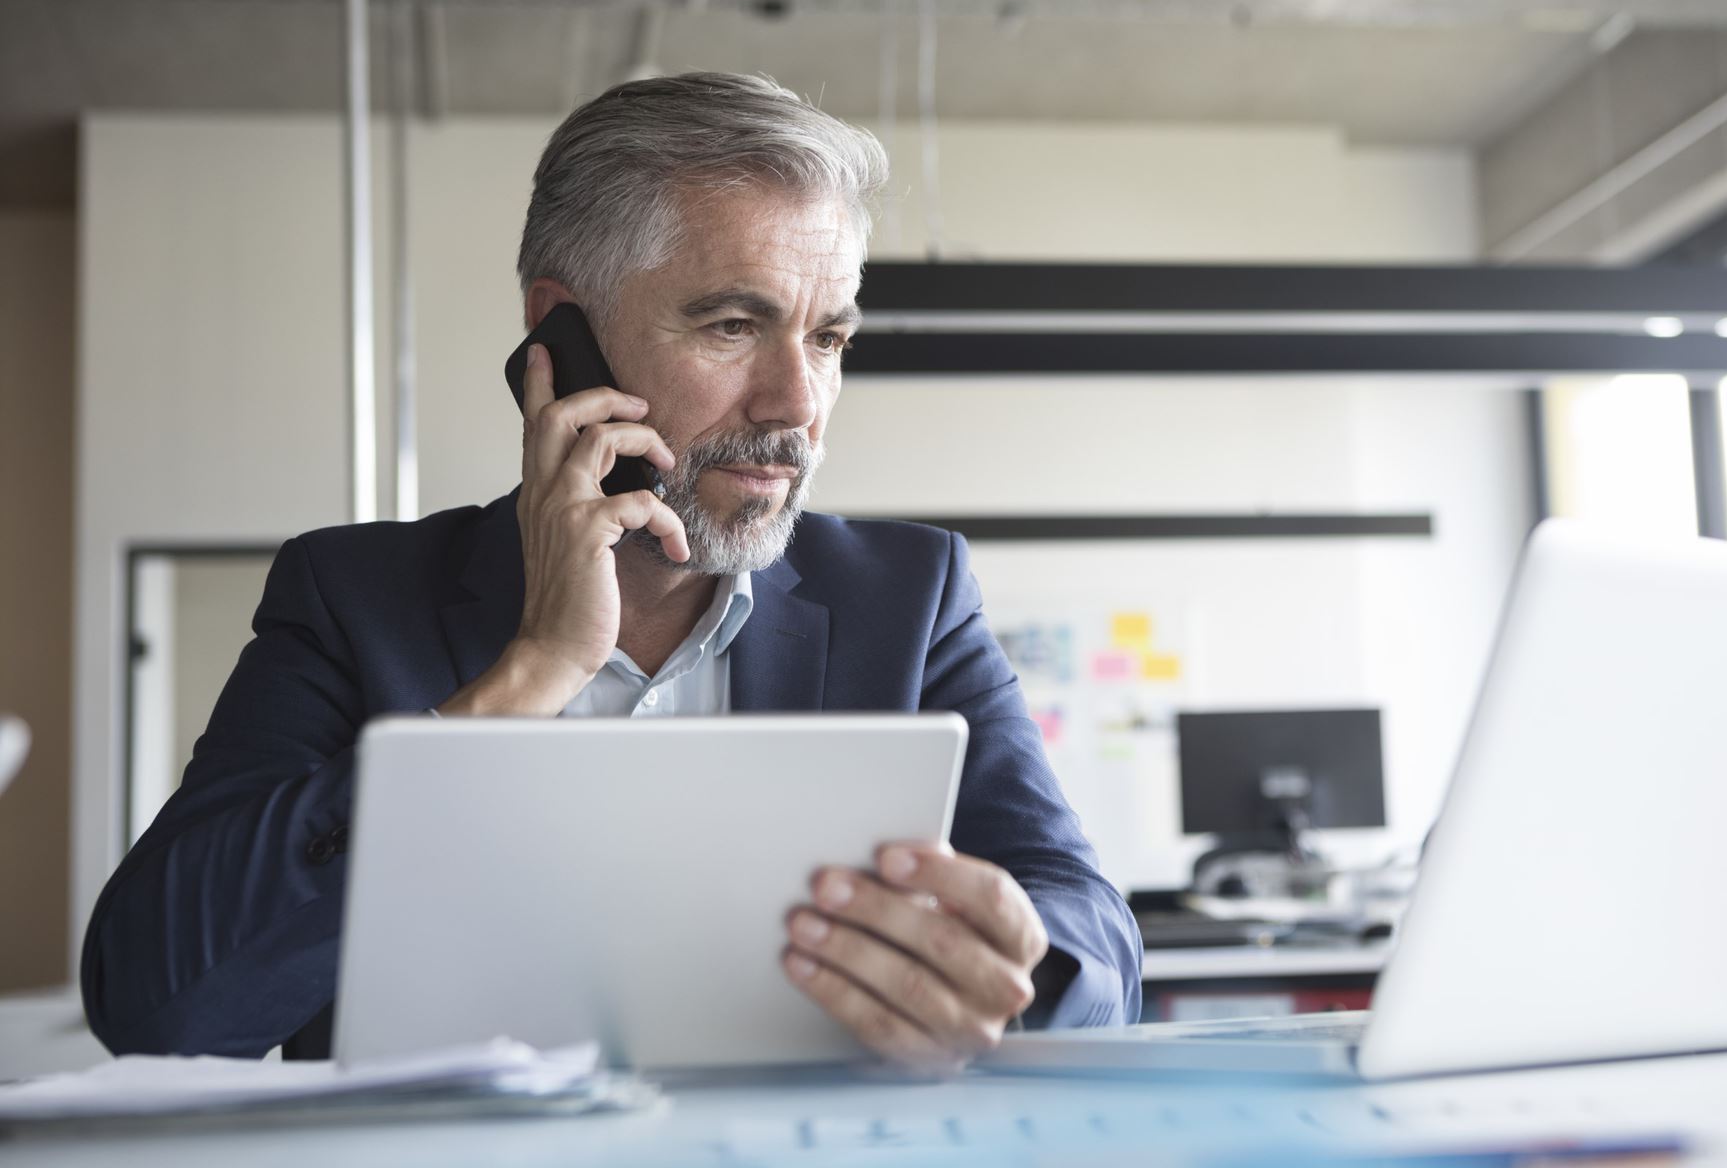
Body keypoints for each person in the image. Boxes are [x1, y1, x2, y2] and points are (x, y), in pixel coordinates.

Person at [82, 72, 1141, 1073]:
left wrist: (1016, 970)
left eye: (827, 339)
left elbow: (1099, 944)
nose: (796, 406)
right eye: (734, 325)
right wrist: (528, 676)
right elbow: (157, 1003)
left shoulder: (908, 598)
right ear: (561, 331)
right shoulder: (352, 599)